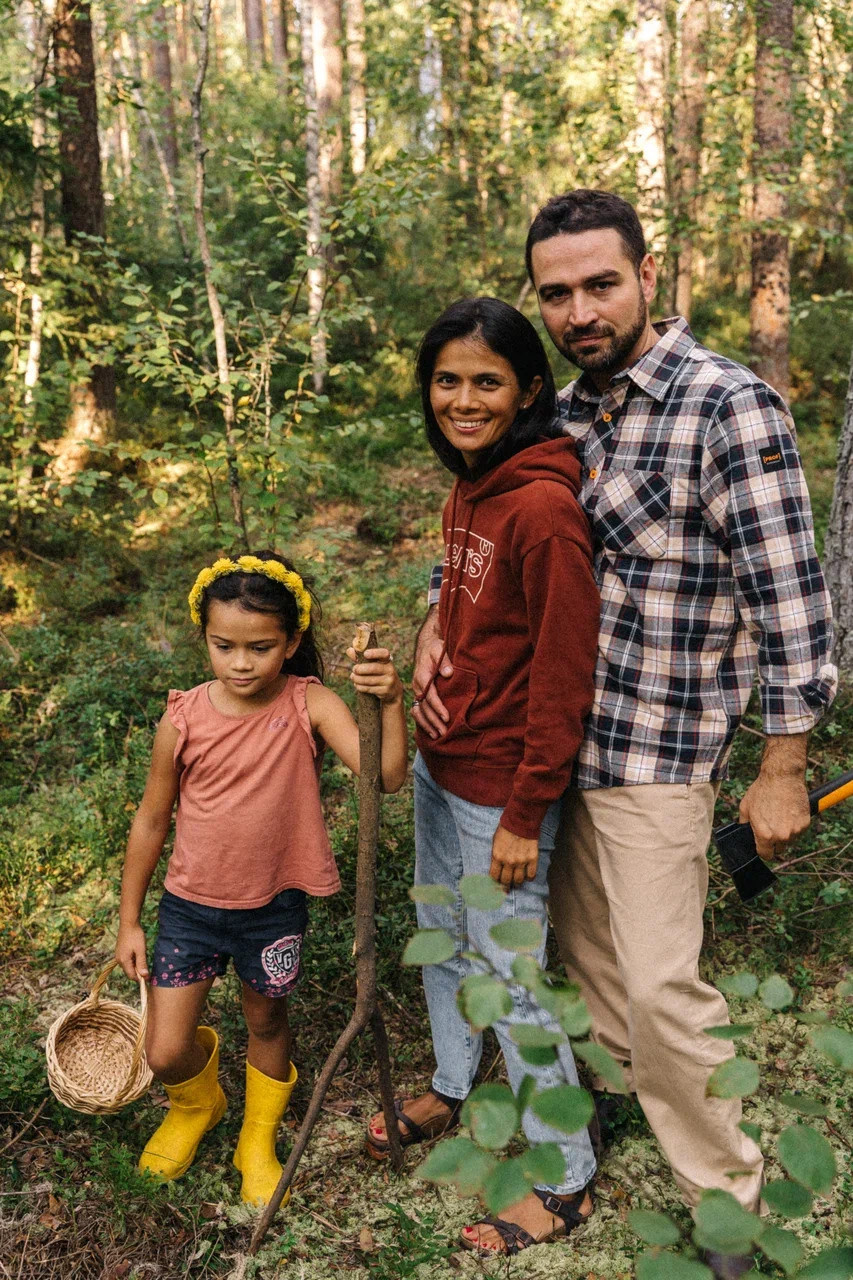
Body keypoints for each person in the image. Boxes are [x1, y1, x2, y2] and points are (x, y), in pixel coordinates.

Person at [412, 193, 837, 1275]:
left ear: (649, 274)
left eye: (600, 284)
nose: (579, 310)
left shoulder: (725, 406)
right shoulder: (558, 413)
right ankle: (600, 1111)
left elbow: (789, 597)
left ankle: (726, 1207)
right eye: (556, 292)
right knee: (589, 969)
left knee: (658, 985)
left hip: (657, 751)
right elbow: (487, 541)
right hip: (548, 749)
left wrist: (783, 763)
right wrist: (431, 627)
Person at [366, 298, 601, 1256]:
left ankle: (565, 1178)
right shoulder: (472, 484)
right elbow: (469, 609)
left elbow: (563, 675)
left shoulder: (542, 509)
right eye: (447, 381)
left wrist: (523, 812)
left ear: (529, 390)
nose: (462, 400)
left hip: (500, 786)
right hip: (442, 760)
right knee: (442, 934)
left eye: (487, 383)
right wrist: (432, 642)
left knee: (513, 974)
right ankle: (456, 1084)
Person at [116, 552, 407, 1208]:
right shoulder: (183, 718)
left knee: (267, 1019)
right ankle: (198, 1104)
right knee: (164, 1051)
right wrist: (129, 920)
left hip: (273, 908)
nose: (241, 664)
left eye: (260, 648)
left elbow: (386, 776)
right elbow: (151, 819)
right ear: (205, 637)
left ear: (292, 642)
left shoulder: (309, 704)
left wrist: (391, 702)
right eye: (224, 646)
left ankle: (257, 1135)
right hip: (189, 908)